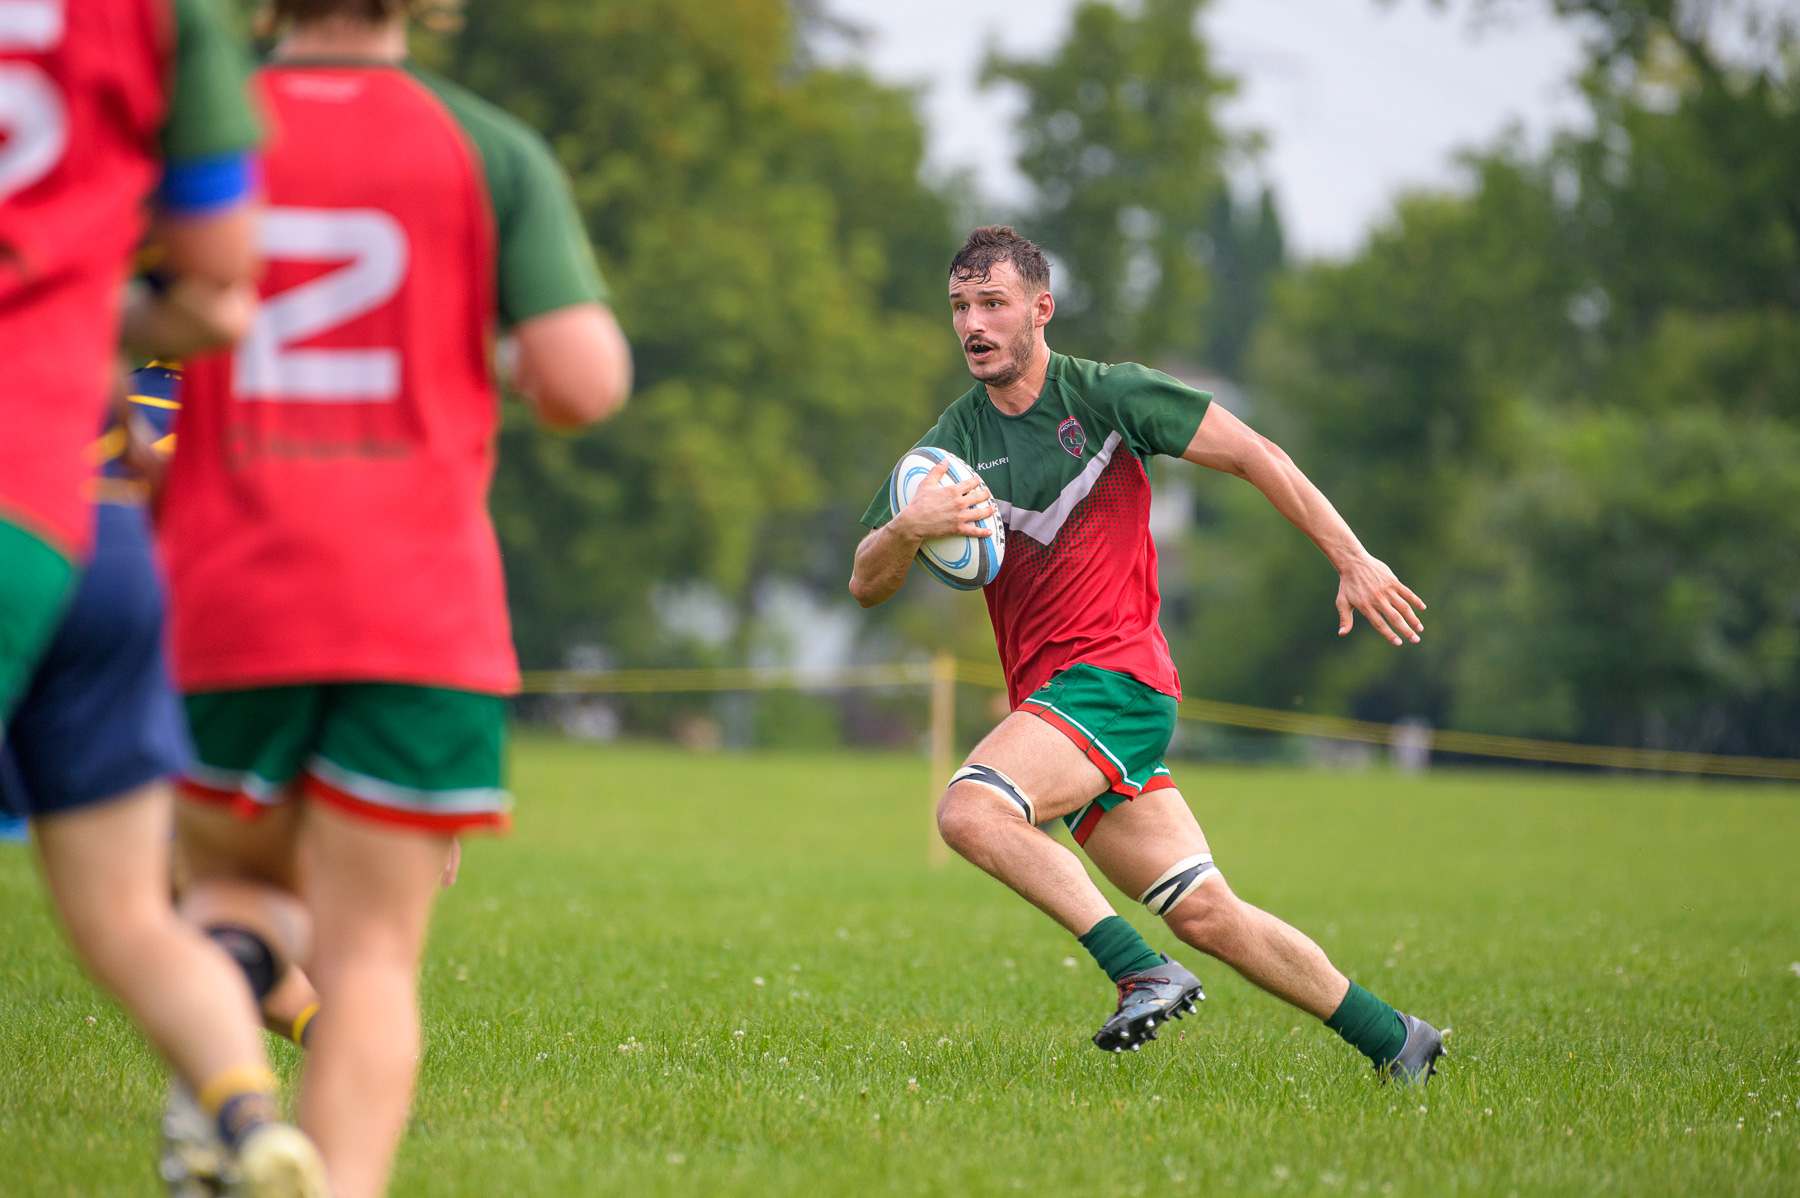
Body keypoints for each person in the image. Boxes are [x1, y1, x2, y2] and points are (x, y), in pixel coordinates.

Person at [157, 2, 633, 1194]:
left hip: (227, 591)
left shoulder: (201, 127)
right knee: (371, 954)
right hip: (417, 608)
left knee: (228, 889)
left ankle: (217, 1055)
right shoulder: (490, 149)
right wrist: (497, 355)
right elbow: (584, 381)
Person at [849, 226, 1444, 1083]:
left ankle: (1140, 971)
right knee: (1206, 913)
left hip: (1115, 680)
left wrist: (1352, 557)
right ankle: (1398, 1040)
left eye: (993, 304)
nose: (973, 324)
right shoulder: (949, 448)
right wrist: (909, 529)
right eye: (960, 307)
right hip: (1059, 707)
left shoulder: (1107, 396)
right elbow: (866, 580)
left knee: (971, 813)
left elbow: (1256, 454)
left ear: (1041, 310)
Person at [0, 2, 328, 1192]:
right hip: (109, 545)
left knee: (194, 883)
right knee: (143, 910)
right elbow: (217, 288)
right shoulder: (160, 29)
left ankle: (294, 1048)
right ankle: (245, 1116)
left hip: (62, 528)